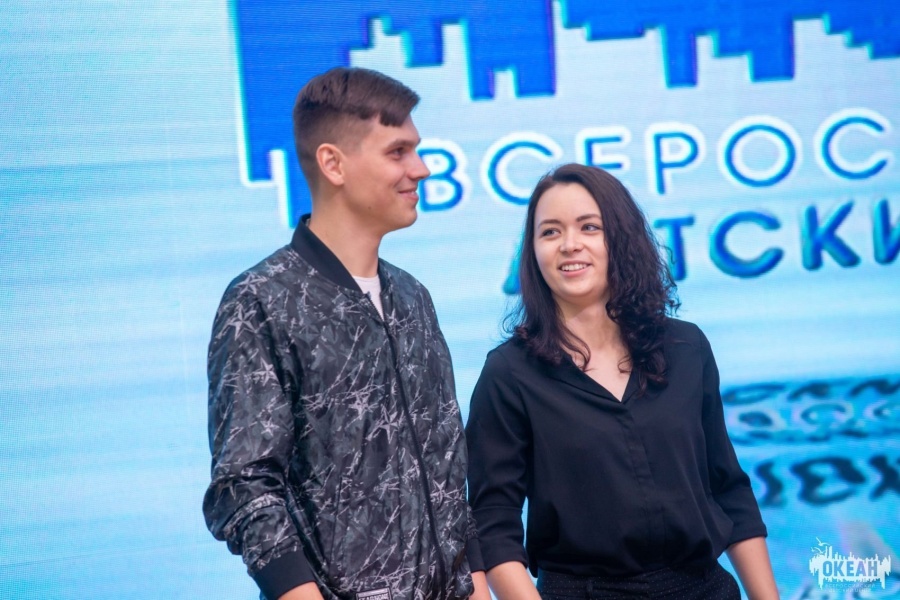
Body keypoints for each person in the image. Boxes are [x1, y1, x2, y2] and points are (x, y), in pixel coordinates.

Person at [203, 67, 489, 600]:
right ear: (333, 163)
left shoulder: (413, 299)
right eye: (398, 152)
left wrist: (476, 583)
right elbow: (244, 486)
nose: (421, 169)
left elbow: (447, 468)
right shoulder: (262, 300)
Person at [465, 163, 779, 599]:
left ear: (621, 238)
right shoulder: (509, 374)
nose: (569, 245)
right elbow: (493, 522)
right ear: (532, 251)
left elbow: (727, 488)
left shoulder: (686, 348)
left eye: (589, 227)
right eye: (550, 232)